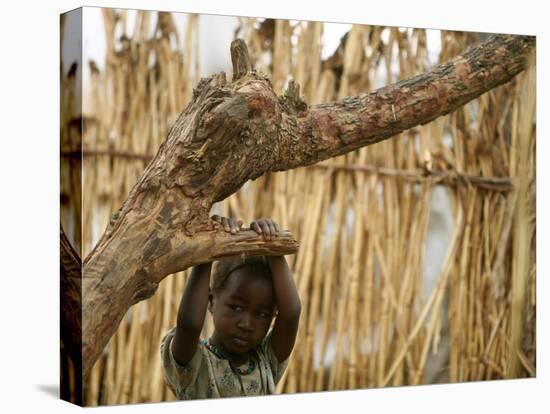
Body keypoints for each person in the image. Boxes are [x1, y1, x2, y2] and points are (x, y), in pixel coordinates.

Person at [160, 215, 301, 399]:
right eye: (236, 307)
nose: (246, 324)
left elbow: (291, 313)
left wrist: (271, 247)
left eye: (262, 314)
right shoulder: (193, 363)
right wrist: (209, 248)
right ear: (210, 301)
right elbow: (190, 324)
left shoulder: (266, 361)